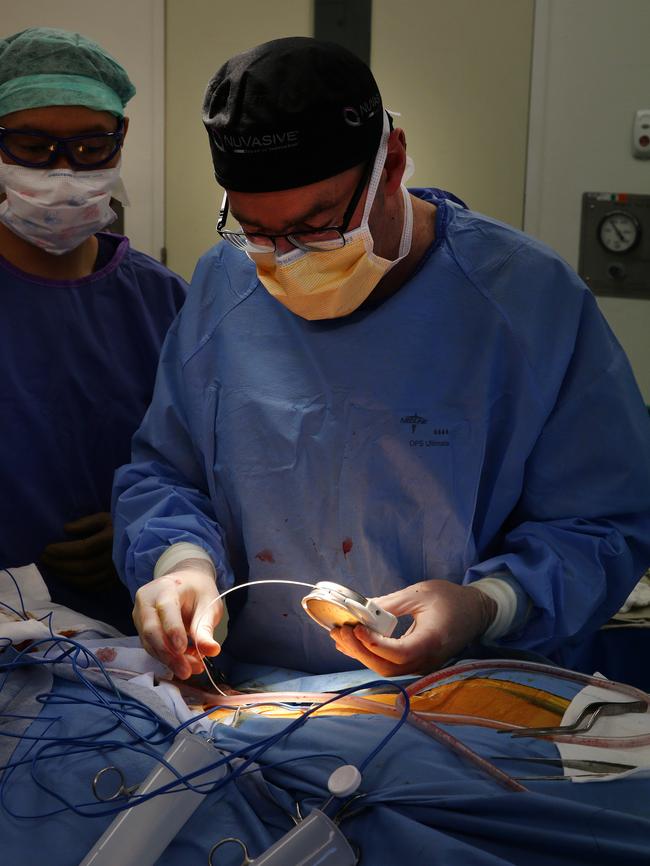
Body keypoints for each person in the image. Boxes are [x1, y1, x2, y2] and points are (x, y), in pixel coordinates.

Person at [113, 36, 650, 677]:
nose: (287, 260)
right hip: (253, 692)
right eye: (258, 232)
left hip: (457, 700)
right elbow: (166, 474)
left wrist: (488, 604)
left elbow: (602, 522)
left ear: (391, 164)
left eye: (317, 227)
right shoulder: (223, 284)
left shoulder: (526, 301)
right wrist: (182, 566)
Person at [0, 28, 186, 632]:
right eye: (31, 145)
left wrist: (143, 531)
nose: (61, 171)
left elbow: (210, 467)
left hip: (139, 634)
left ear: (121, 138)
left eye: (88, 147)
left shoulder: (162, 300)